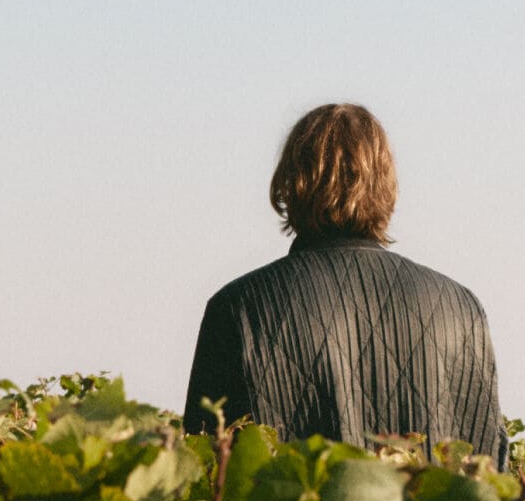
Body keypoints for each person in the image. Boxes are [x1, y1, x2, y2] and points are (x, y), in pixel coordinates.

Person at [183, 103, 507, 467]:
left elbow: (203, 475)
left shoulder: (239, 308)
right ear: (386, 183)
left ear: (290, 182)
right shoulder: (461, 309)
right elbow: (490, 475)